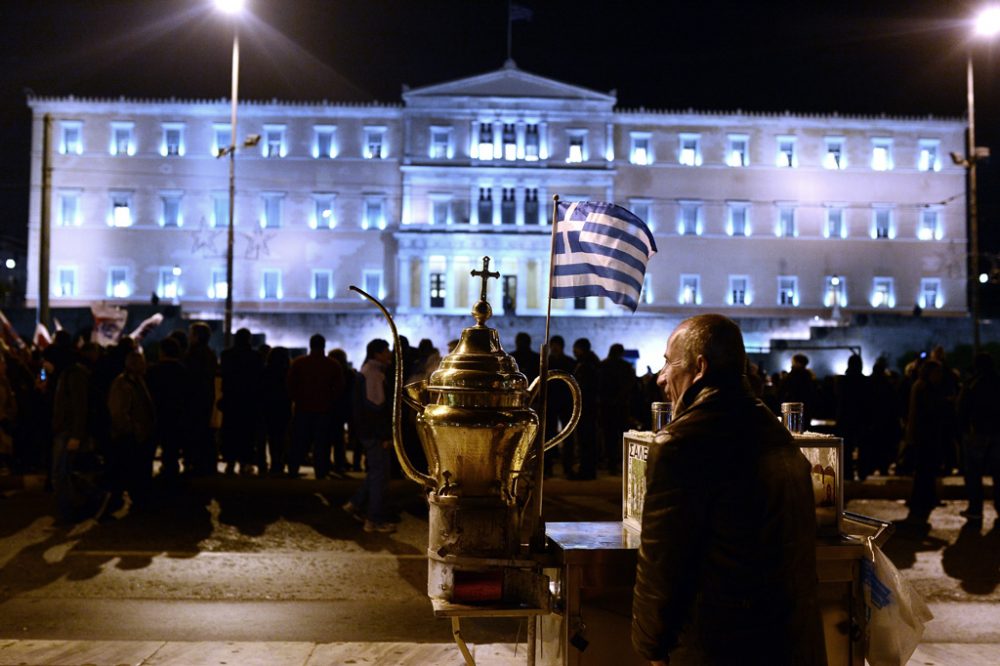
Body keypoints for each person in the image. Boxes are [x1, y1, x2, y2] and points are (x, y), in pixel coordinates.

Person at [632, 314, 826, 665]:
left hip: (722, 646)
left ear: (700, 366)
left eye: (668, 362)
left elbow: (660, 569)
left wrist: (650, 647)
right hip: (795, 644)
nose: (661, 377)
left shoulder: (681, 443)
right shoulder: (775, 432)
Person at [344, 338, 396, 533]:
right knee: (380, 476)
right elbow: (377, 407)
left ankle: (355, 504)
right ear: (377, 353)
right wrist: (384, 435)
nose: (389, 354)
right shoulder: (374, 374)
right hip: (375, 434)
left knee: (376, 472)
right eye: (386, 351)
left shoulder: (368, 371)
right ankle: (374, 519)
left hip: (368, 432)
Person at [287, 333, 344, 479]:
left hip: (302, 409)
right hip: (324, 411)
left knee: (298, 443)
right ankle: (320, 473)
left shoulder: (298, 363)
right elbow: (338, 390)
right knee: (322, 446)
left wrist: (298, 400)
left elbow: (291, 386)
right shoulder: (333, 365)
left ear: (310, 345)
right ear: (324, 346)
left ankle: (293, 470)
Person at [107, 351, 155, 509]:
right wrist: (133, 429)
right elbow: (119, 412)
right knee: (127, 469)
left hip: (137, 433)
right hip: (129, 435)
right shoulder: (123, 384)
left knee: (134, 469)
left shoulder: (137, 381)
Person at [956, 352, 1000, 523]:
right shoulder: (997, 382)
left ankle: (975, 509)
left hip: (977, 434)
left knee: (974, 475)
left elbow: (962, 409)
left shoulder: (972, 384)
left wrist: (963, 430)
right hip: (997, 433)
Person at [219, 328, 263, 476]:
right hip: (249, 401)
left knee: (231, 432)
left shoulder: (226, 355)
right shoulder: (256, 357)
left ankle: (230, 463)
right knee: (247, 434)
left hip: (231, 399)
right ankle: (245, 463)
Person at [599, 342, 636, 474]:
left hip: (607, 406)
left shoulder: (603, 365)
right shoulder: (626, 367)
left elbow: (599, 386)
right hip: (621, 406)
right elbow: (630, 385)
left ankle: (611, 463)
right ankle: (624, 462)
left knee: (609, 437)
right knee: (622, 436)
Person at [571, 338, 601, 480]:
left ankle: (586, 470)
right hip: (590, 406)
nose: (574, 352)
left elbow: (584, 386)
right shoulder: (592, 362)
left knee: (585, 439)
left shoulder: (586, 364)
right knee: (587, 439)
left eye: (575, 349)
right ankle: (587, 469)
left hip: (586, 407)